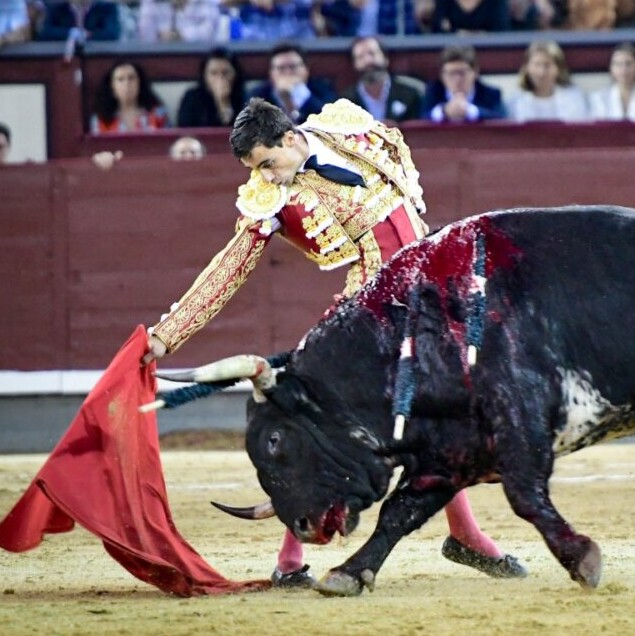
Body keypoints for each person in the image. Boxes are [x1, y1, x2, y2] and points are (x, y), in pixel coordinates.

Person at [141, 97, 526, 588]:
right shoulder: (270, 198)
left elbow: (405, 205)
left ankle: (464, 536)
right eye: (257, 170)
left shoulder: (345, 127)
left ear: (289, 138)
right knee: (329, 422)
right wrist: (165, 336)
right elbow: (229, 268)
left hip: (426, 298)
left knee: (437, 415)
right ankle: (292, 555)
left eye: (268, 163)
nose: (268, 177)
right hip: (367, 314)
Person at [249, 42, 338, 125]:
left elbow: (330, 123)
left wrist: (302, 95)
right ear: (271, 73)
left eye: (293, 67)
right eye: (281, 68)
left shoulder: (323, 90)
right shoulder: (258, 96)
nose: (288, 73)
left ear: (306, 69)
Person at [341, 36, 424, 124]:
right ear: (354, 65)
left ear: (386, 58)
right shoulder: (345, 102)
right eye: (360, 57)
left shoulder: (411, 93)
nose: (368, 61)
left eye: (372, 54)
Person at [507, 40, 589, 123]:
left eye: (547, 65)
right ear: (527, 68)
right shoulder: (514, 102)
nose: (541, 72)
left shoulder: (574, 98)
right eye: (537, 65)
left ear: (559, 68)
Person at [422, 44, 506, 123]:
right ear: (442, 75)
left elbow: (501, 121)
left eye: (462, 73)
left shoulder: (491, 94)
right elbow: (421, 119)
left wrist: (470, 111)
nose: (457, 79)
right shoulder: (432, 92)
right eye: (451, 73)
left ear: (475, 72)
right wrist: (444, 111)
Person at [588, 42, 635, 122]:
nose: (624, 69)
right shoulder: (599, 98)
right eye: (618, 64)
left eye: (628, 64)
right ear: (611, 68)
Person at [90, 60, 169, 134]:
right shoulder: (101, 119)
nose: (127, 83)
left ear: (140, 83)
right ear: (112, 87)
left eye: (131, 78)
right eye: (120, 79)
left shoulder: (158, 114)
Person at [177, 47, 247, 128]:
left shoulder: (245, 97)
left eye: (225, 72)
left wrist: (224, 103)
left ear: (235, 74)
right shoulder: (191, 98)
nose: (220, 78)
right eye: (214, 73)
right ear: (204, 76)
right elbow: (184, 130)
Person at [136, 0, 223, 42]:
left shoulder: (206, 2)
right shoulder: (151, 2)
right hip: (158, 56)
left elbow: (209, 32)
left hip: (199, 56)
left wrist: (181, 35)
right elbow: (146, 36)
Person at [37, 0, 120, 41]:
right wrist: (72, 33)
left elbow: (112, 33)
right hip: (61, 60)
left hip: (96, 58)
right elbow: (45, 33)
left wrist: (86, 35)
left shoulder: (107, 9)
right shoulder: (56, 9)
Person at [429, 0, 510, 32]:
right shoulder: (444, 1)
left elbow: (501, 29)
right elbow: (438, 28)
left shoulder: (496, 2)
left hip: (490, 52)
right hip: (451, 51)